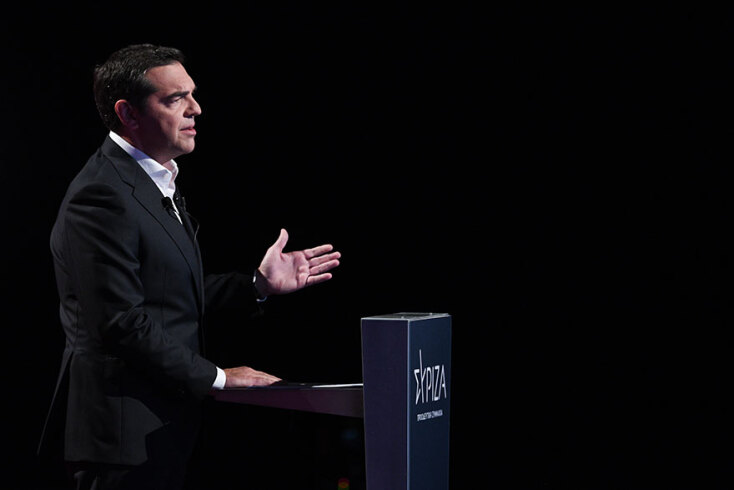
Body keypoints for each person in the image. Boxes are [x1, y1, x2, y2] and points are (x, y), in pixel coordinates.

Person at [39, 44, 341, 489]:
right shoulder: (101, 195)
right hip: (121, 437)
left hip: (162, 426)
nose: (195, 109)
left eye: (192, 94)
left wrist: (256, 285)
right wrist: (217, 378)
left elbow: (166, 294)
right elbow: (120, 322)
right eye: (175, 98)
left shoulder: (153, 180)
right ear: (128, 113)